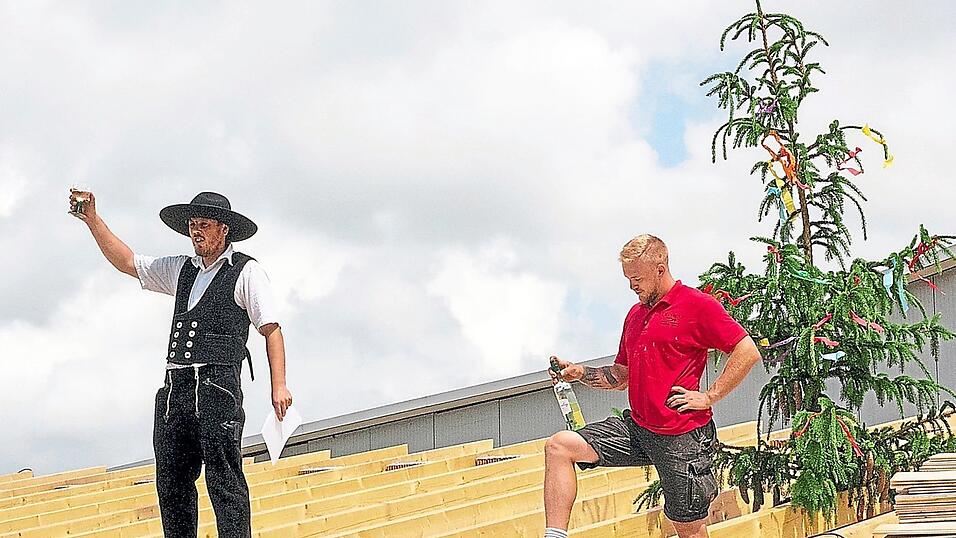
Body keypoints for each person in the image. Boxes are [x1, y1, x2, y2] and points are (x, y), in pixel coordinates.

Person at [69, 189, 294, 538]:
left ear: (224, 229)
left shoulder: (247, 272)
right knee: (172, 481)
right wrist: (94, 222)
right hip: (176, 390)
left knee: (224, 478)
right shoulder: (181, 269)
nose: (196, 231)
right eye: (192, 224)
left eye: (204, 224)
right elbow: (130, 263)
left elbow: (272, 330)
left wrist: (278, 385)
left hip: (218, 386)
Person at [543, 234, 760, 538]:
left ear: (660, 268)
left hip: (682, 437)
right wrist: (579, 373)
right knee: (559, 446)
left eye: (637, 277)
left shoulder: (696, 306)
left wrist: (709, 396)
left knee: (689, 528)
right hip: (640, 429)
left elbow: (747, 350)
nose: (632, 285)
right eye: (628, 278)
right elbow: (620, 375)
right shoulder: (636, 315)